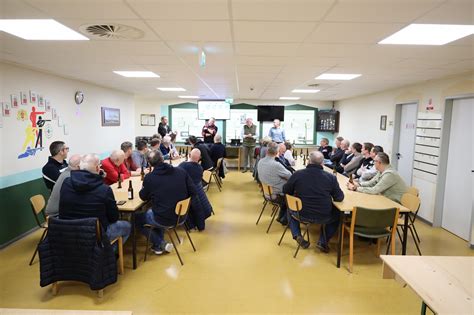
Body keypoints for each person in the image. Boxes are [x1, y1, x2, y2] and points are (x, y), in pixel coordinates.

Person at [59, 154, 131, 244]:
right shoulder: (104, 189)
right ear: (98, 168)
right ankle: (107, 255)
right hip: (95, 234)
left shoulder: (66, 182)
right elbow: (114, 218)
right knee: (127, 225)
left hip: (67, 232)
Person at [136, 150, 196, 254]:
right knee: (158, 208)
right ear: (163, 159)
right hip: (181, 216)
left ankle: (160, 243)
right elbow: (193, 192)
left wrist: (145, 187)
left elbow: (143, 197)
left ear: (149, 164)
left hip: (163, 218)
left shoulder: (150, 178)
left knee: (136, 218)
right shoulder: (181, 171)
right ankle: (158, 247)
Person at [283, 151, 344, 253]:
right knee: (338, 214)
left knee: (291, 207)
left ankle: (297, 235)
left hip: (301, 214)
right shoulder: (331, 178)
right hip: (324, 215)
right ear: (322, 163)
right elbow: (339, 198)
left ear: (308, 161)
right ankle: (322, 242)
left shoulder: (298, 174)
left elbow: (286, 190)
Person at [257, 142, 292, 225]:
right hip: (277, 195)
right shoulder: (276, 165)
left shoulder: (260, 161)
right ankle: (285, 219)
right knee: (294, 193)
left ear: (266, 152)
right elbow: (290, 176)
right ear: (277, 153)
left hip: (267, 193)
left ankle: (281, 217)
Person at [179, 149, 213, 229]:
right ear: (199, 158)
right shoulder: (200, 168)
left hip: (187, 195)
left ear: (189, 155)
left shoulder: (183, 166)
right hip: (197, 196)